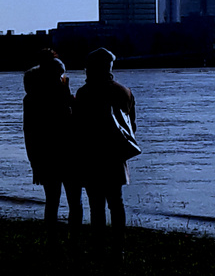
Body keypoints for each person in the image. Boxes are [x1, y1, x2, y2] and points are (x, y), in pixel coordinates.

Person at [73, 47, 138, 253]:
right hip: (116, 156)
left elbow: (78, 127)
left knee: (96, 205)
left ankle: (98, 246)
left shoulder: (85, 93)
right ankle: (119, 247)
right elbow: (131, 128)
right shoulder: (124, 92)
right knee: (116, 204)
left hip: (91, 156)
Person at [22, 48, 83, 236]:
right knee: (74, 201)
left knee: (52, 200)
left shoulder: (32, 98)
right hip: (69, 154)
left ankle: (52, 240)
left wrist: (34, 162)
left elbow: (29, 133)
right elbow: (76, 122)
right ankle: (74, 239)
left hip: (45, 156)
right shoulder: (62, 95)